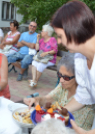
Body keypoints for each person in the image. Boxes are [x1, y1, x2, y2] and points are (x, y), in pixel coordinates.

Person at [51, 0, 95, 133]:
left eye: (60, 36)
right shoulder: (80, 59)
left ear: (73, 30)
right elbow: (84, 95)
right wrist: (58, 114)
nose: (59, 41)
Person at [24, 54, 95, 130]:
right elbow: (48, 99)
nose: (61, 80)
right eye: (59, 75)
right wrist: (37, 100)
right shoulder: (63, 85)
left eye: (66, 77)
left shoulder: (89, 92)